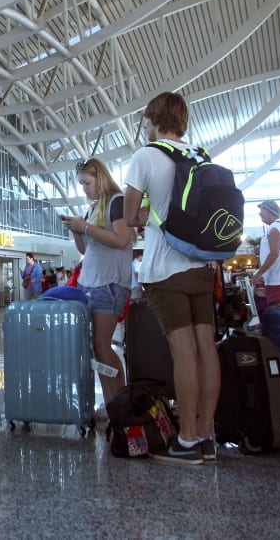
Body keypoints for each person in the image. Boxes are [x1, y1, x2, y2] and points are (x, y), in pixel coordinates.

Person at [123, 91, 220, 465]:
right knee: (205, 348)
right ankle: (207, 435)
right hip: (201, 267)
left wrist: (154, 209)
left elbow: (131, 216)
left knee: (183, 352)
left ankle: (187, 439)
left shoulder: (146, 156)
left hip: (166, 270)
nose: (145, 126)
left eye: (147, 119)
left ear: (155, 119)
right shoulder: (199, 156)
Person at [60, 157, 133, 409]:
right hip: (91, 282)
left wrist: (86, 227)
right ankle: (113, 402)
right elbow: (85, 249)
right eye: (81, 184)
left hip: (108, 283)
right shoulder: (93, 208)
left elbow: (121, 239)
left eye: (87, 183)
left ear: (99, 178)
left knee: (102, 345)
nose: (84, 188)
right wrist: (76, 230)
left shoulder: (116, 201)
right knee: (97, 348)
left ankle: (121, 400)